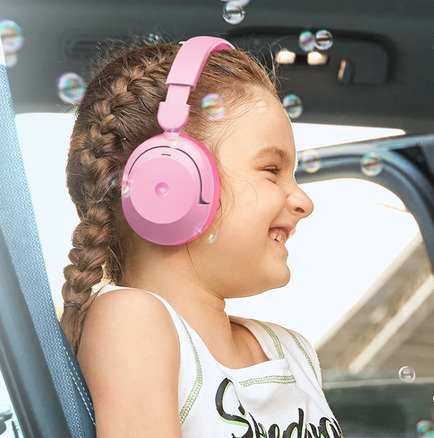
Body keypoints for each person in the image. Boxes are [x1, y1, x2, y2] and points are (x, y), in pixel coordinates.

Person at [59, 36, 342, 437]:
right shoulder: (130, 322)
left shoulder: (292, 351)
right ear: (171, 183)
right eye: (272, 169)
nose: (303, 201)